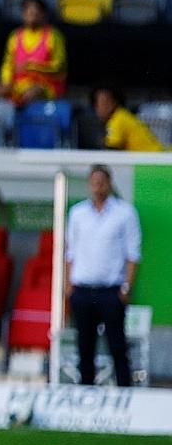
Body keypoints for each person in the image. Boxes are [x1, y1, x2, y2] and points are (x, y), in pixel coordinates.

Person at [66, 164, 141, 387]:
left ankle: (125, 392)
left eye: (101, 182)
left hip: (111, 290)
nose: (97, 187)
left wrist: (126, 287)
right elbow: (71, 252)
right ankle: (86, 393)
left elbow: (133, 253)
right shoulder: (78, 213)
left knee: (117, 346)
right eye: (94, 182)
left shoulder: (124, 213)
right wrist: (68, 285)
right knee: (84, 347)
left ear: (109, 184)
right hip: (83, 289)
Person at [0, 0, 67, 105]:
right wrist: (6, 83)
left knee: (30, 95)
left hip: (45, 86)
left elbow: (59, 67)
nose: (31, 16)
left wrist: (31, 66)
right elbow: (8, 64)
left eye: (35, 13)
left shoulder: (53, 36)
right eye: (28, 12)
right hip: (18, 85)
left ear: (43, 15)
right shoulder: (15, 36)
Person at [93, 87, 166, 153]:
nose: (99, 107)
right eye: (97, 103)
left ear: (114, 103)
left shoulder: (118, 119)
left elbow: (112, 151)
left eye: (104, 102)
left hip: (152, 160)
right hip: (154, 156)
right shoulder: (122, 115)